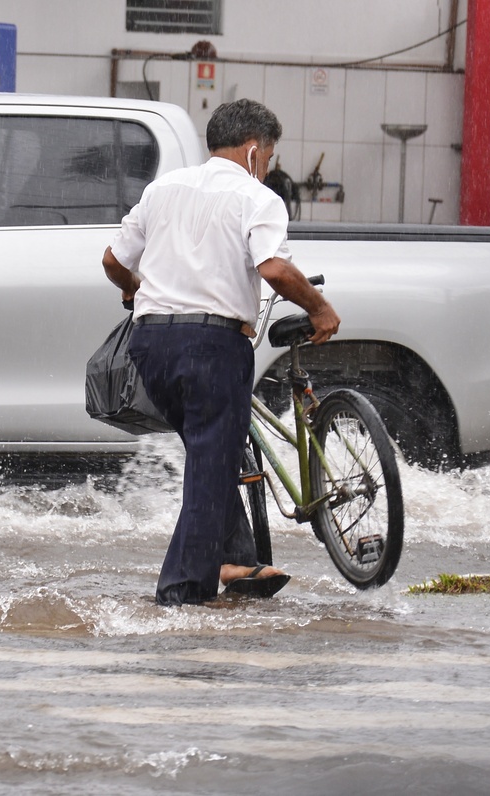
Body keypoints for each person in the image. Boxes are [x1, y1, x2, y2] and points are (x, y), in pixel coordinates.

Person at [101, 98, 341, 606]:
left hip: (150, 345)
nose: (268, 167)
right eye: (269, 157)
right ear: (254, 150)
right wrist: (320, 309)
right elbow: (274, 268)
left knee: (209, 456)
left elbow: (113, 260)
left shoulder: (162, 189)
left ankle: (235, 560)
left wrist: (132, 290)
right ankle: (180, 595)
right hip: (212, 346)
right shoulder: (256, 197)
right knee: (210, 466)